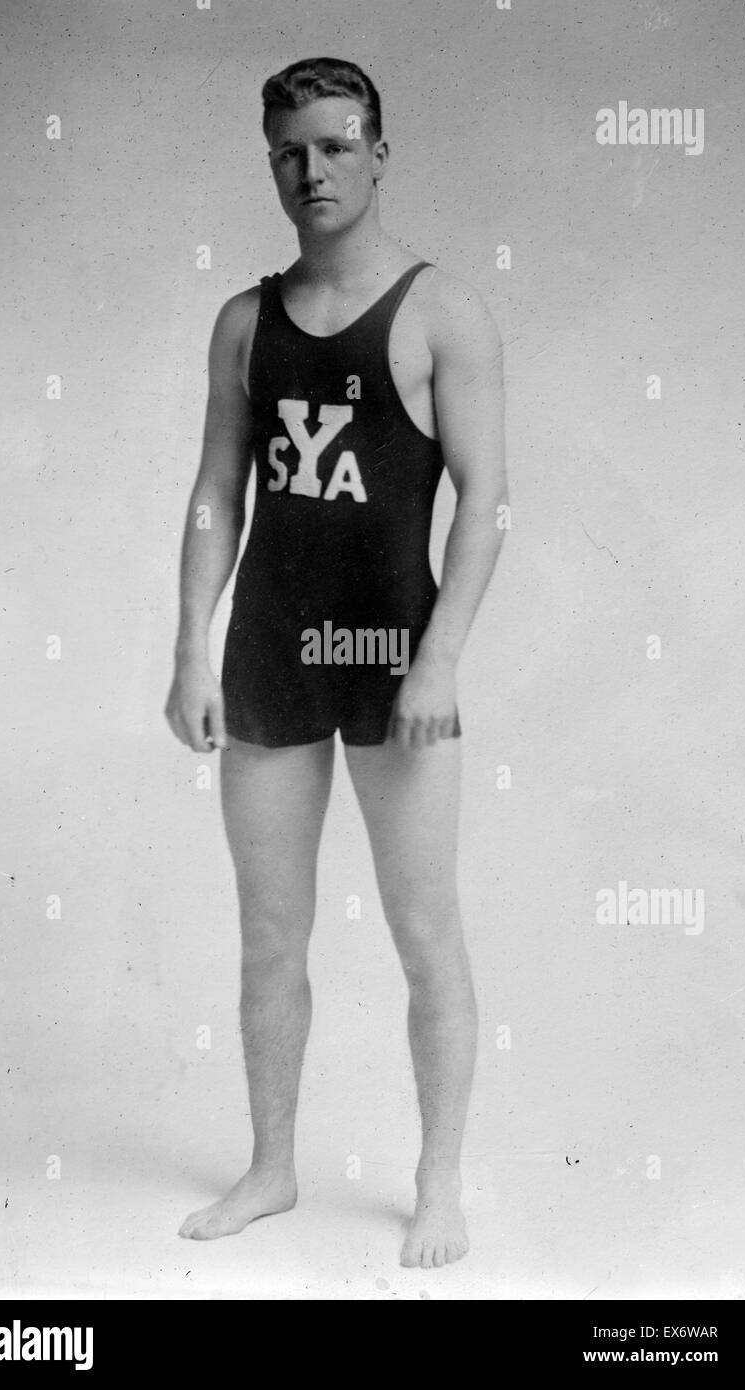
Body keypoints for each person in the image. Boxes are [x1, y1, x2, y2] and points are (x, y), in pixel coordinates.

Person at [165, 56, 507, 1269]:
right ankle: (270, 1165)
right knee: (269, 932)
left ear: (377, 149)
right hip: (270, 650)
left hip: (388, 656)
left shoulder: (442, 311)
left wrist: (439, 661)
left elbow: (484, 506)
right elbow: (215, 491)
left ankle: (439, 1182)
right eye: (288, 153)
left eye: (334, 144)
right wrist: (189, 653)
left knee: (425, 932)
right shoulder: (244, 323)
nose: (312, 171)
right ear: (273, 164)